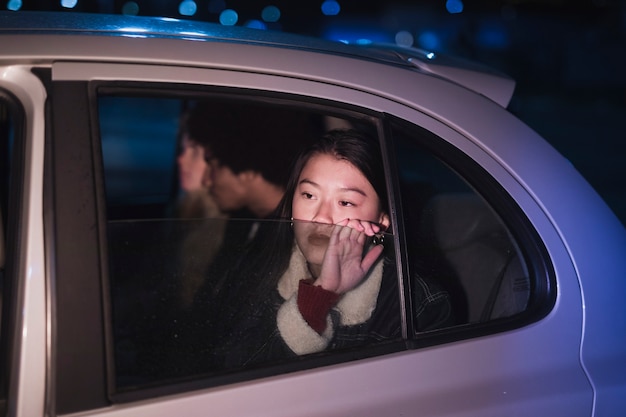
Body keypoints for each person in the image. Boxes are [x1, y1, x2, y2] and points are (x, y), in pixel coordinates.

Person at [191, 128, 455, 372]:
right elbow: (226, 372)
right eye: (309, 196)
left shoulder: (418, 305)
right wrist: (318, 299)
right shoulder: (259, 267)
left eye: (345, 202)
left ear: (382, 219)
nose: (321, 217)